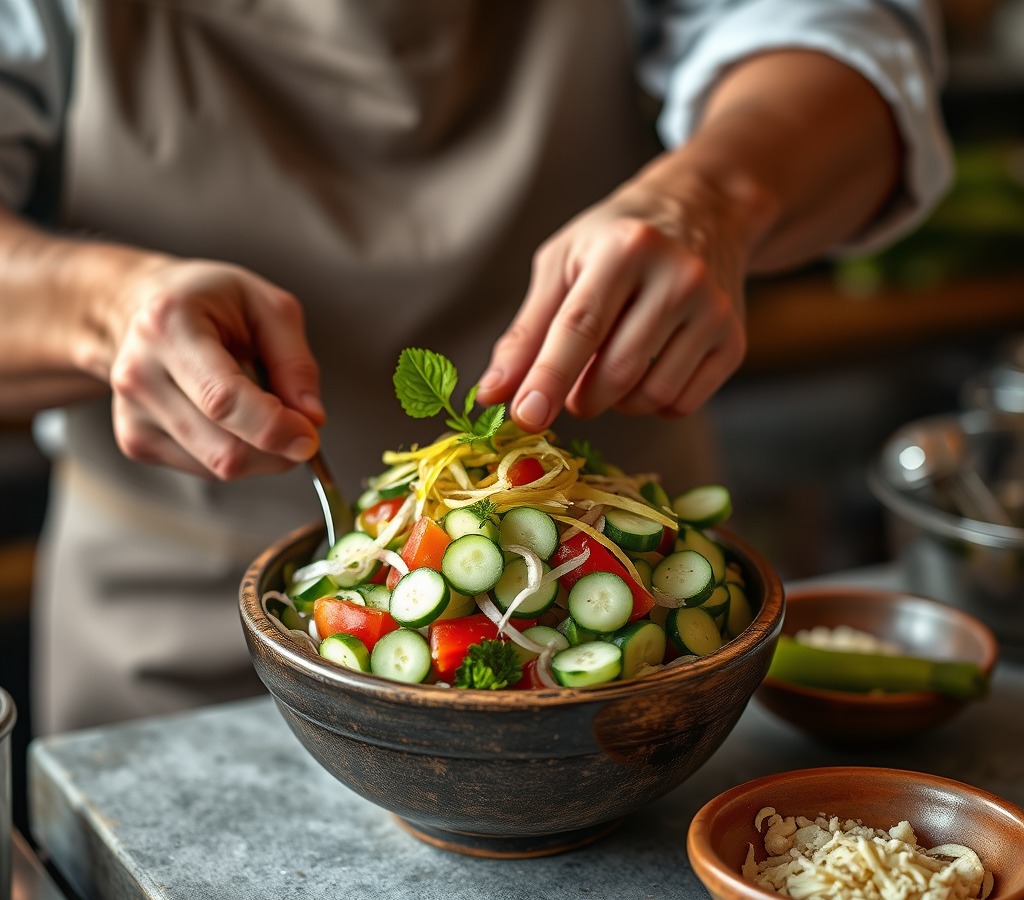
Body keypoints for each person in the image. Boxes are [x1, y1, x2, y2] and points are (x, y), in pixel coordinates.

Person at [0, 0, 952, 734]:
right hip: (167, 642)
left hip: (630, 683)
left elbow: (849, 36)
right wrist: (105, 308)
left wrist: (715, 196)